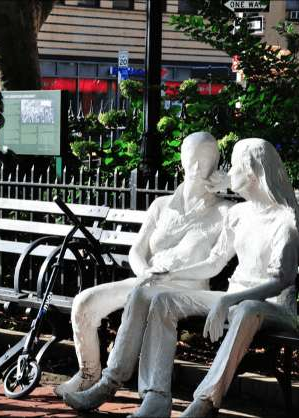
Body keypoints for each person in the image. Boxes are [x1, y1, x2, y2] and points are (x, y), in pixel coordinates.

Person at [64, 138, 299, 418]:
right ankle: (149, 396)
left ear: (252, 173)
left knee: (248, 308)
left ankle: (204, 402)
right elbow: (215, 262)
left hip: (271, 306)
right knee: (158, 298)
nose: (225, 173)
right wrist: (169, 274)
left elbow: (281, 281)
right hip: (233, 299)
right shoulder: (239, 214)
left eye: (234, 167)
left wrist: (228, 300)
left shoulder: (284, 221)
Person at [55, 132, 233, 398]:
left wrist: (232, 185)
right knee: (84, 303)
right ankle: (89, 374)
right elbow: (137, 250)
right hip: (147, 280)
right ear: (182, 160)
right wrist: (145, 270)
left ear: (216, 164)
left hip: (186, 291)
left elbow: (260, 212)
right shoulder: (161, 206)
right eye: (192, 158)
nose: (197, 167)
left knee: (148, 300)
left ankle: (126, 387)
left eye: (205, 160)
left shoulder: (225, 211)